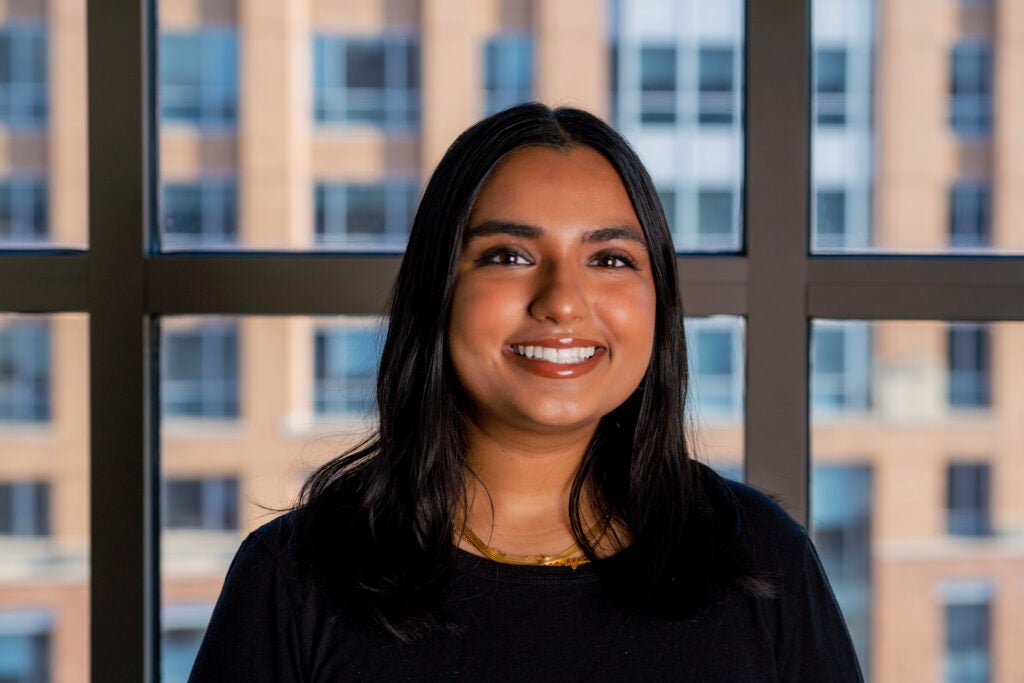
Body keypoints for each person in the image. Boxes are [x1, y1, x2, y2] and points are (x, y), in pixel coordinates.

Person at [189, 103, 863, 681]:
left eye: (610, 259)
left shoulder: (759, 556)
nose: (562, 301)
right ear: (438, 290)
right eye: (508, 256)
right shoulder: (294, 578)